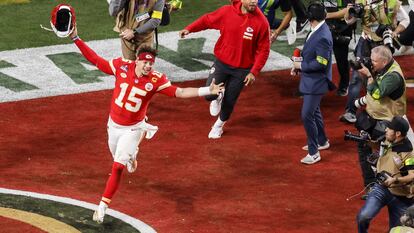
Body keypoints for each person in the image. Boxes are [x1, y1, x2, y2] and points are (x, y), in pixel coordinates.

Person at [67, 25, 224, 223]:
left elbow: (180, 92)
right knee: (118, 157)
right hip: (113, 125)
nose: (149, 66)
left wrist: (206, 90)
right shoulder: (122, 66)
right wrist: (76, 39)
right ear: (138, 61)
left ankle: (102, 207)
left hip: (133, 128)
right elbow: (96, 61)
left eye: (152, 63)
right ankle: (133, 155)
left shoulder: (156, 80)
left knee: (117, 167)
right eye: (146, 63)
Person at [179, 0, 270, 139]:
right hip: (222, 63)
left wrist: (254, 72)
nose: (254, 1)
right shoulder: (226, 12)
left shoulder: (262, 22)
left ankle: (219, 125)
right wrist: (190, 28)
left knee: (230, 101)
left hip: (242, 69)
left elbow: (264, 50)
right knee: (209, 95)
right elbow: (207, 20)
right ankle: (217, 97)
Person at [339, 0, 410, 123]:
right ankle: (350, 111)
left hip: (384, 44)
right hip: (366, 40)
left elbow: (405, 20)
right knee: (357, 76)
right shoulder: (360, 1)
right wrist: (348, 11)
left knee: (382, 78)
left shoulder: (393, 2)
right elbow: (349, 21)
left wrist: (394, 32)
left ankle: (379, 110)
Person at [353, 45, 408, 199]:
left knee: (388, 157)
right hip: (373, 118)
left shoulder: (393, 76)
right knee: (364, 149)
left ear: (384, 62)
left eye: (374, 61)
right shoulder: (382, 68)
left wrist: (369, 76)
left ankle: (398, 188)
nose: (371, 63)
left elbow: (377, 93)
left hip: (389, 123)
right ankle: (371, 187)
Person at [291, 2, 333, 164]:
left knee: (307, 114)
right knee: (314, 112)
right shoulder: (318, 28)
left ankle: (314, 152)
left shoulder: (322, 35)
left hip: (317, 82)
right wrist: (299, 65)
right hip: (311, 79)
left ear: (311, 18)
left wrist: (300, 66)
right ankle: (322, 141)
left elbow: (320, 64)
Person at [357, 116, 414, 233]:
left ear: (397, 133)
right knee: (363, 217)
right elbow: (378, 146)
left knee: (395, 230)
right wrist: (366, 142)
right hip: (382, 188)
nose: (386, 130)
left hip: (401, 196)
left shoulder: (408, 153)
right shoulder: (389, 139)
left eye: (389, 128)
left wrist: (395, 180)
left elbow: (412, 175)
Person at [323, 0, 356, 96]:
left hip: (342, 28)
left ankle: (344, 84)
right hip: (326, 25)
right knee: (318, 56)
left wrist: (326, 15)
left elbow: (349, 10)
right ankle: (317, 83)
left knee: (341, 59)